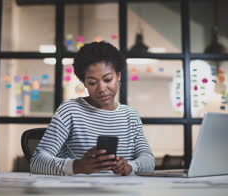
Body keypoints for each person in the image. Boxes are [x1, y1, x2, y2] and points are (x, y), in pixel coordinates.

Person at [30, 41, 155, 176]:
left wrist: (130, 167)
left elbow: (149, 161)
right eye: (92, 82)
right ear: (84, 83)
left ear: (118, 76)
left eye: (107, 80)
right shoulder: (70, 111)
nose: (101, 89)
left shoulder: (130, 116)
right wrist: (77, 166)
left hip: (123, 194)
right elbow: (37, 161)